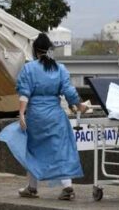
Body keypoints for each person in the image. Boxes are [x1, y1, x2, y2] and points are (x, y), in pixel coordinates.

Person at [16, 33, 87, 200]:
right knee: (61, 149)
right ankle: (67, 186)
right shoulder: (60, 68)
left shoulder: (29, 68)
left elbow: (24, 94)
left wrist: (21, 113)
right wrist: (79, 105)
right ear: (49, 49)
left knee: (33, 150)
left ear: (34, 50)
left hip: (36, 115)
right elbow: (69, 91)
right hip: (55, 114)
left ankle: (32, 188)